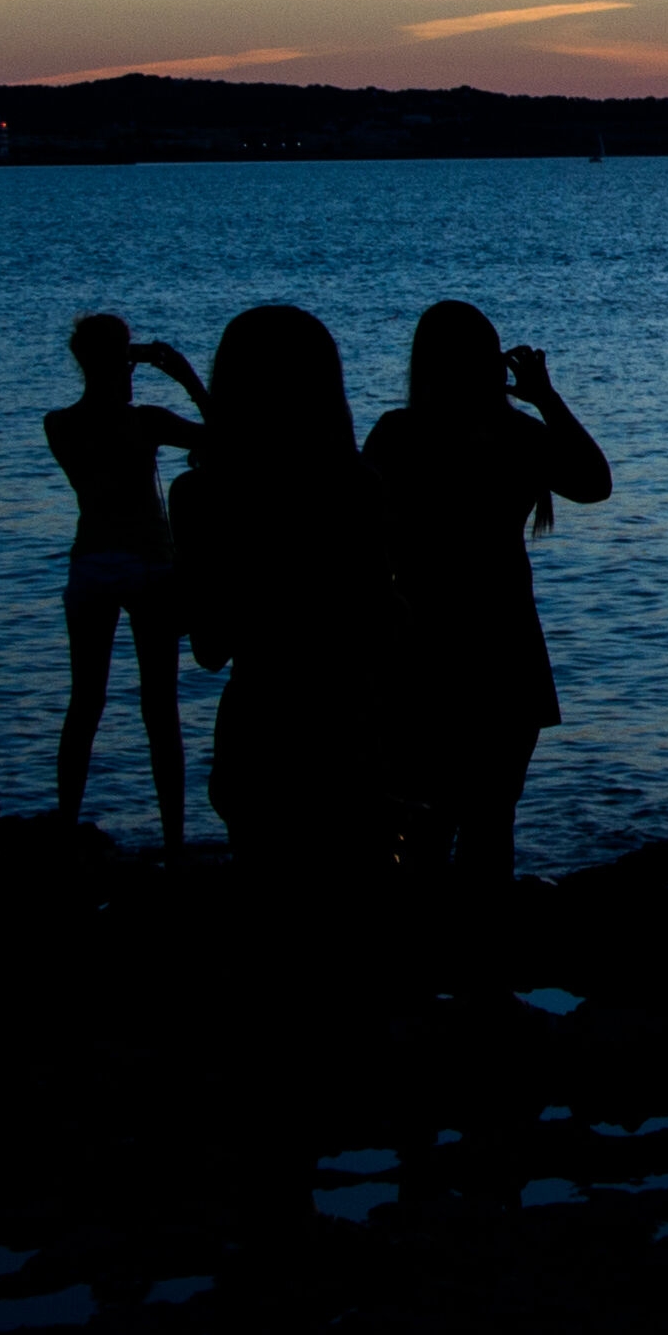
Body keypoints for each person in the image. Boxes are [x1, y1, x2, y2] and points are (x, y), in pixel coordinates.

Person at [361, 300, 610, 902]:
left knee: (420, 828)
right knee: (491, 828)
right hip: (505, 648)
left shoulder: (398, 435)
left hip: (421, 648)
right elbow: (594, 483)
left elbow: (358, 536)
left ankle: (419, 978)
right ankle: (484, 981)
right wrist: (544, 397)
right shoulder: (518, 437)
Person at [170, 303, 395, 868]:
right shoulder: (359, 487)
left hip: (259, 727)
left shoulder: (199, 497)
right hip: (349, 724)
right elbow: (378, 621)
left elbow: (209, 647)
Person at [41, 315, 207, 847]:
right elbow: (225, 438)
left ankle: (66, 829)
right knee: (160, 711)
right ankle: (176, 845)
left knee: (84, 703)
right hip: (149, 567)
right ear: (124, 360)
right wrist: (185, 376)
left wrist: (123, 359)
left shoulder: (59, 425)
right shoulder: (146, 422)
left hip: (91, 563)